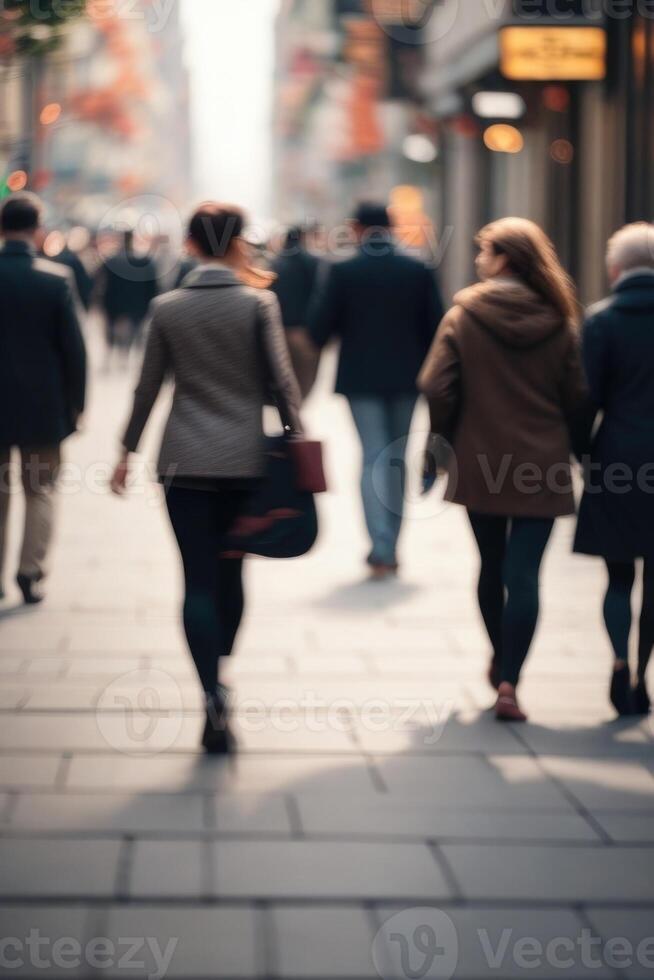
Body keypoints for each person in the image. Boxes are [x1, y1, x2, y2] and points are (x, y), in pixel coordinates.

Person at [111, 203, 303, 754]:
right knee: (232, 573)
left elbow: (147, 389)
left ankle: (209, 691)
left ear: (191, 244)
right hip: (245, 461)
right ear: (239, 241)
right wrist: (296, 442)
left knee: (194, 579)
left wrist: (126, 450)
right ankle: (221, 666)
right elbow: (283, 386)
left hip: (183, 461)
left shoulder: (167, 307)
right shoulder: (258, 304)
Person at [419, 217, 589, 722]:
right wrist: (583, 454)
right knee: (526, 574)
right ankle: (512, 680)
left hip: (480, 460)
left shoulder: (464, 315)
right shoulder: (560, 320)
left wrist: (438, 447)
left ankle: (499, 657)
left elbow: (436, 387)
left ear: (505, 260)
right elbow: (578, 397)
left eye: (484, 252)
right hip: (543, 463)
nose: (477, 261)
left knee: (491, 568)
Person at [309, 202, 444, 579]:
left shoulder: (342, 270)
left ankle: (379, 544)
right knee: (398, 457)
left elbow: (319, 330)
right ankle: (392, 546)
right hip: (408, 378)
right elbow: (437, 328)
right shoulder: (418, 269)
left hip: (361, 379)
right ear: (391, 226)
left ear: (356, 228)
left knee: (372, 456)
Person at [574, 223, 654, 717]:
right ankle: (644, 676)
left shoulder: (601, 321)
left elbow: (586, 400)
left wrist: (582, 455)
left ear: (615, 269)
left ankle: (619, 661)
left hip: (617, 459)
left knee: (619, 575)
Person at [0, 193, 87, 605]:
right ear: (37, 230)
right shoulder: (54, 280)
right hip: (42, 405)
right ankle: (29, 571)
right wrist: (78, 403)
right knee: (40, 490)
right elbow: (74, 349)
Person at [270, 225, 322, 399]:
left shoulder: (275, 262)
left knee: (284, 378)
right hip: (304, 331)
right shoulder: (313, 262)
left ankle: (293, 415)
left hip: (279, 330)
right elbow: (319, 295)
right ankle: (297, 414)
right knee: (304, 380)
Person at [96, 229, 159, 366]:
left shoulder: (111, 261)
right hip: (137, 305)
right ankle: (125, 358)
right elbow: (152, 287)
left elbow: (102, 285)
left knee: (112, 333)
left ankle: (111, 355)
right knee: (134, 334)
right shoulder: (145, 261)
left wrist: (102, 304)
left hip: (114, 304)